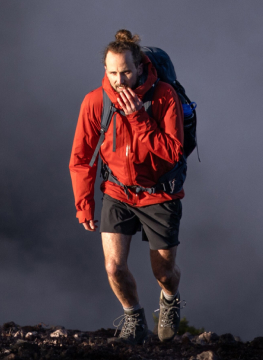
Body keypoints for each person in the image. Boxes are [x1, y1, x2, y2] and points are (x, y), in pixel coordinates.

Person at [68, 29, 186, 344]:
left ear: (139, 68)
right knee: (113, 266)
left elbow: (173, 151)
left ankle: (170, 298)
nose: (119, 79)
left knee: (163, 273)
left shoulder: (164, 97)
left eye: (126, 72)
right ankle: (134, 317)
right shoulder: (96, 102)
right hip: (118, 192)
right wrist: (84, 204)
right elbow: (81, 158)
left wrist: (139, 119)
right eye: (112, 72)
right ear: (105, 71)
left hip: (160, 193)